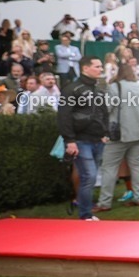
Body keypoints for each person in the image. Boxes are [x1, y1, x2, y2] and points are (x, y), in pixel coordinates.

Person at [96, 63, 139, 211]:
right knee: (136, 165)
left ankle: (104, 203)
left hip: (120, 133)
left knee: (109, 168)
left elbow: (107, 108)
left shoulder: (115, 87)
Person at [58, 55, 109, 220]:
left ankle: (86, 213)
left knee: (91, 178)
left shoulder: (98, 89)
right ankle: (85, 214)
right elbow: (63, 116)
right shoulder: (71, 89)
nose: (101, 69)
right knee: (89, 176)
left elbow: (103, 112)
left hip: (97, 140)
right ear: (85, 68)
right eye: (97, 66)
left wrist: (105, 133)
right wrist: (69, 140)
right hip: (80, 140)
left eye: (101, 66)